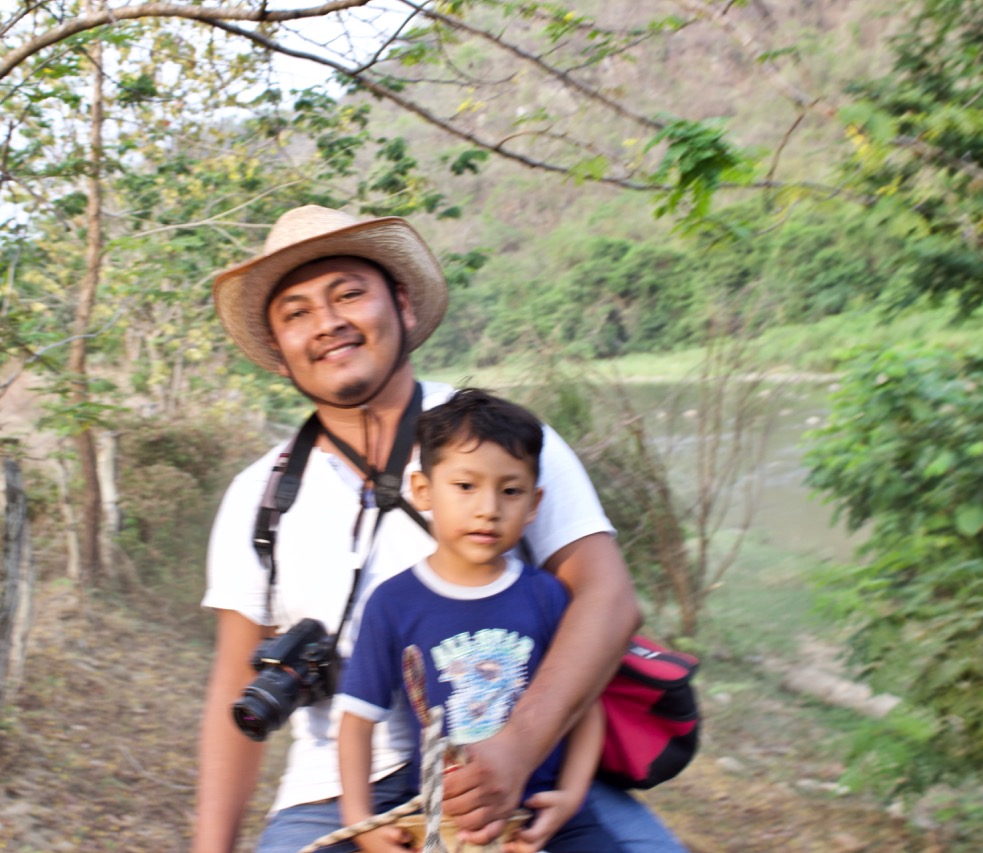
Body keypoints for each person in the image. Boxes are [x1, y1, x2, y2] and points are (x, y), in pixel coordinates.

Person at [195, 204, 686, 853]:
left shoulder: (503, 442)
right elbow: (236, 687)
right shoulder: (257, 499)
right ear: (280, 355)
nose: (329, 323)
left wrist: (516, 749)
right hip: (334, 798)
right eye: (297, 312)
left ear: (400, 304)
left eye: (349, 294)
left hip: (526, 771)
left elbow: (608, 598)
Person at [337, 388, 614, 853]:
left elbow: (584, 707)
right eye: (466, 487)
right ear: (423, 490)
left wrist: (569, 798)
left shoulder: (546, 596)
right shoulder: (394, 603)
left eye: (510, 491)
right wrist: (359, 820)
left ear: (533, 504)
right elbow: (356, 723)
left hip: (537, 817)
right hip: (445, 816)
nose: (489, 508)